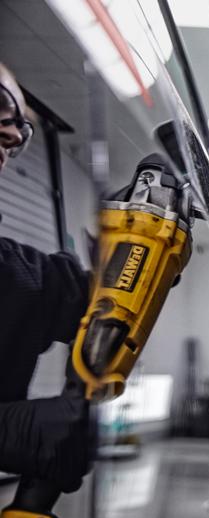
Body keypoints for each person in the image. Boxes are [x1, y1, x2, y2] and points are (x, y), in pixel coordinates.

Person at [0, 62, 92, 493]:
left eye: (21, 127)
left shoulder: (10, 272)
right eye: (1, 107)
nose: (14, 136)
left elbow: (70, 294)